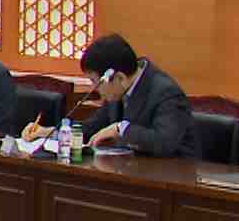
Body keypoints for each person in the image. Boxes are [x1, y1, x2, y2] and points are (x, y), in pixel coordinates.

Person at [24, 35, 199, 157]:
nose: (94, 89)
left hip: (172, 179)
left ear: (119, 78)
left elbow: (164, 143)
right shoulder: (118, 90)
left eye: (96, 82)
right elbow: (92, 128)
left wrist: (120, 129)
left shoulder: (166, 93)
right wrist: (48, 132)